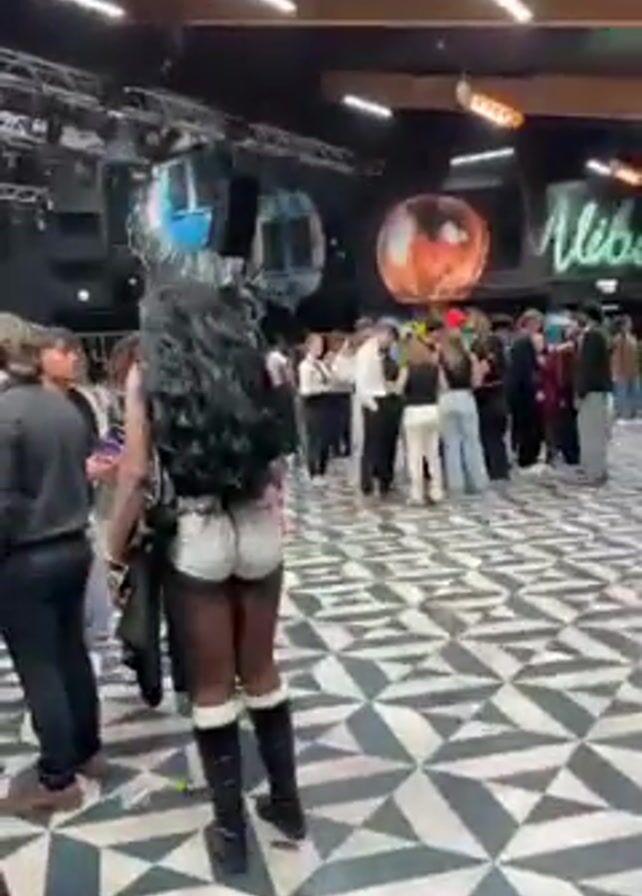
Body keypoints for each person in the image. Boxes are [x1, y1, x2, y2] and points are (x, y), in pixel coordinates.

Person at [107, 282, 304, 876]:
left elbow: (136, 472)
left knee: (213, 686)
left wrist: (114, 548)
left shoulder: (149, 375)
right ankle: (288, 807)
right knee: (262, 670)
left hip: (197, 533)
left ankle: (231, 832)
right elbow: (281, 456)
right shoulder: (261, 364)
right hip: (258, 525)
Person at [0, 321, 100, 813]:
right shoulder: (62, 406)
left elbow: (3, 501)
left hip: (26, 554)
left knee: (38, 666)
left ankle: (57, 778)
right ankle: (86, 747)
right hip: (73, 542)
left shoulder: (6, 413)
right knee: (70, 652)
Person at [439, 329, 489, 495]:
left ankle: (455, 484)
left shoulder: (441, 358)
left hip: (446, 399)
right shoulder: (471, 357)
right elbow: (477, 382)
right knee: (472, 441)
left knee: (451, 444)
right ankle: (477, 481)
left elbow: (442, 384)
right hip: (466, 398)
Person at [355, 321, 398, 496]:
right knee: (372, 443)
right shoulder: (366, 352)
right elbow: (361, 381)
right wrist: (372, 405)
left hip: (386, 399)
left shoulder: (385, 353)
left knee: (386, 442)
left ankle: (384, 478)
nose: (389, 341)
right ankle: (367, 482)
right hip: (374, 400)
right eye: (388, 336)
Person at [399, 335, 443, 504]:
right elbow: (443, 387)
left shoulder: (407, 368)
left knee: (415, 454)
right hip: (432, 410)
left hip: (413, 412)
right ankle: (436, 490)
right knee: (433, 454)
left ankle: (417, 493)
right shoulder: (435, 368)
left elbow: (399, 388)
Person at [576, 302, 612, 485]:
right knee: (599, 433)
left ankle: (594, 473)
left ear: (586, 315)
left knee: (590, 433)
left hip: (591, 391)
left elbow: (587, 367)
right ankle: (599, 470)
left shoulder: (592, 335)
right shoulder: (603, 334)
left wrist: (580, 392)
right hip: (601, 390)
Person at [471, 312, 509, 481]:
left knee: (488, 437)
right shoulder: (499, 345)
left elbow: (481, 372)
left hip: (485, 397)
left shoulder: (479, 346)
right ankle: (501, 470)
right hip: (499, 394)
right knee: (497, 437)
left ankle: (494, 472)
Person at [508, 310, 545, 468]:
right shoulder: (524, 342)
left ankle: (526, 456)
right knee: (529, 427)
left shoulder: (519, 341)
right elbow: (527, 369)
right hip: (525, 392)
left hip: (519, 391)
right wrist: (536, 389)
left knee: (524, 426)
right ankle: (527, 458)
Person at [298, 334, 331, 480]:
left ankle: (322, 470)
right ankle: (313, 471)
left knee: (325, 438)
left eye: (321, 345)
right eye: (317, 345)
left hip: (325, 402)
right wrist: (322, 388)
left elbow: (330, 379)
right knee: (314, 438)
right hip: (312, 402)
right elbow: (306, 390)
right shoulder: (305, 366)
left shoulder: (321, 364)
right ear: (309, 347)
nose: (320, 348)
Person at [611, 315, 639, 420]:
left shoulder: (632, 338)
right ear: (623, 325)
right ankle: (620, 414)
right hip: (621, 371)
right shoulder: (618, 339)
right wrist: (616, 371)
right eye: (628, 323)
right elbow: (616, 357)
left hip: (632, 371)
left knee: (634, 392)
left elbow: (635, 355)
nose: (630, 325)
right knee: (621, 393)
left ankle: (633, 413)